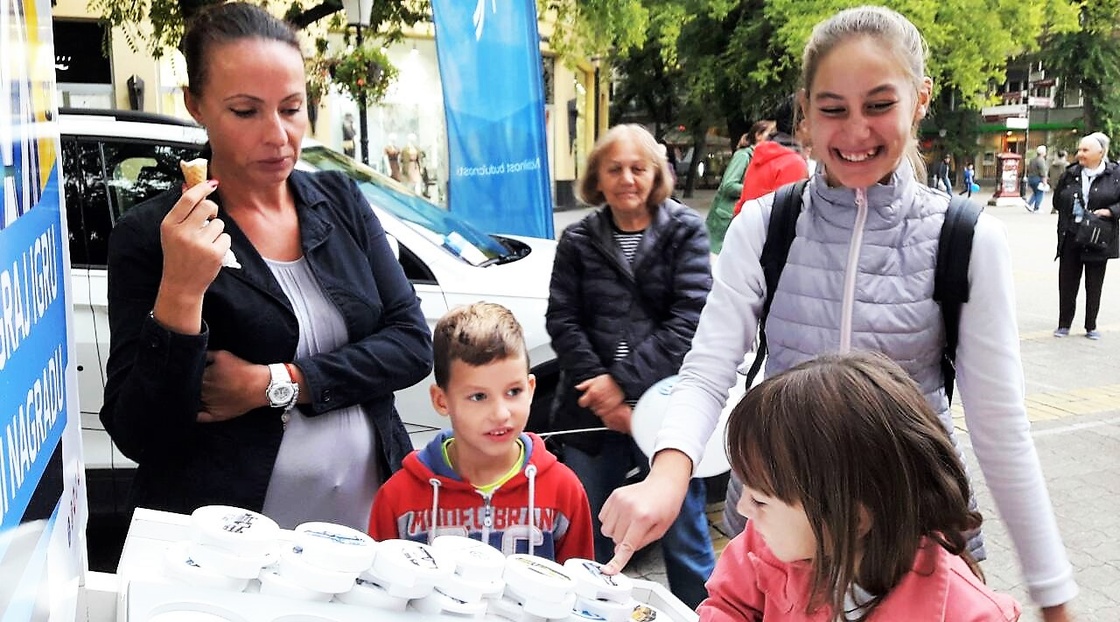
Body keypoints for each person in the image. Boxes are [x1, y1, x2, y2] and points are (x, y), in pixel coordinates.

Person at [598, 7, 1076, 620]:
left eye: (879, 105)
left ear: (920, 99)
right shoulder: (765, 226)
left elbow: (1000, 426)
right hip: (780, 536)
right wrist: (668, 475)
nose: (855, 132)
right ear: (804, 112)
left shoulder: (967, 238)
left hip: (912, 543)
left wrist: (1052, 588)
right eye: (832, 108)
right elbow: (710, 367)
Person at [98, 2, 433, 530]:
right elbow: (142, 435)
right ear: (196, 105)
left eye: (292, 107)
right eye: (246, 111)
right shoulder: (153, 234)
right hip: (232, 544)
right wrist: (181, 294)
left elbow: (412, 344)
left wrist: (280, 382)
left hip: (365, 524)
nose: (277, 135)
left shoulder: (338, 199)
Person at [699, 352, 1021, 621]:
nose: (743, 509)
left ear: (853, 519)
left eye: (761, 500)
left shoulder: (965, 614)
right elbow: (727, 605)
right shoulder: (768, 546)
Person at [545, 123, 715, 608]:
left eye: (638, 168)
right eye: (614, 168)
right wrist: (598, 387)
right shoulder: (577, 239)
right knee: (589, 538)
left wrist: (620, 388)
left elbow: (690, 321)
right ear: (596, 178)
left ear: (655, 174)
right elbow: (563, 318)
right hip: (588, 412)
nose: (627, 178)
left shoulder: (685, 232)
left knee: (686, 541)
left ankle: (704, 615)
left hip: (665, 413)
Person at [369, 302, 594, 563]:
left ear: (531, 388)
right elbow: (380, 592)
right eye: (478, 396)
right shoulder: (398, 496)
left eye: (513, 392)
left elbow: (577, 593)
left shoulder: (563, 489)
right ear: (442, 401)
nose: (500, 413)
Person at [1051, 132, 1120, 340]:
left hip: (1098, 236)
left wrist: (1110, 212)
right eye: (1079, 149)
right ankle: (1064, 324)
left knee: (1094, 282)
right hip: (1072, 234)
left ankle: (1091, 325)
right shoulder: (1070, 173)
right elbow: (1056, 201)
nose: (1079, 153)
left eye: (1085, 150)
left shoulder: (1115, 174)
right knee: (1067, 281)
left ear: (1100, 153)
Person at [733, 97, 809, 215]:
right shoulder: (793, 164)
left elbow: (741, 206)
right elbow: (787, 219)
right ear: (804, 126)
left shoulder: (766, 154)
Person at [707, 121, 774, 254]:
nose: (774, 137)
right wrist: (756, 190)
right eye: (770, 133)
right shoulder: (743, 156)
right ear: (758, 135)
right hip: (725, 220)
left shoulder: (760, 158)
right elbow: (728, 185)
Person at [1027, 145, 1049, 213]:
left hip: (1031, 178)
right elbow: (1042, 172)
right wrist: (1044, 182)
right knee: (1040, 193)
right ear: (1043, 152)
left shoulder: (1032, 160)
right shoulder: (1041, 160)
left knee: (1035, 192)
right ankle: (1036, 208)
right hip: (1037, 179)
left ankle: (1029, 204)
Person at [1049, 150, 1070, 214]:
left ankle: (1054, 208)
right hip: (1063, 182)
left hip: (1054, 182)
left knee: (1056, 195)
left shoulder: (1052, 165)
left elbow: (1049, 174)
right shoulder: (1066, 165)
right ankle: (1062, 209)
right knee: (1063, 196)